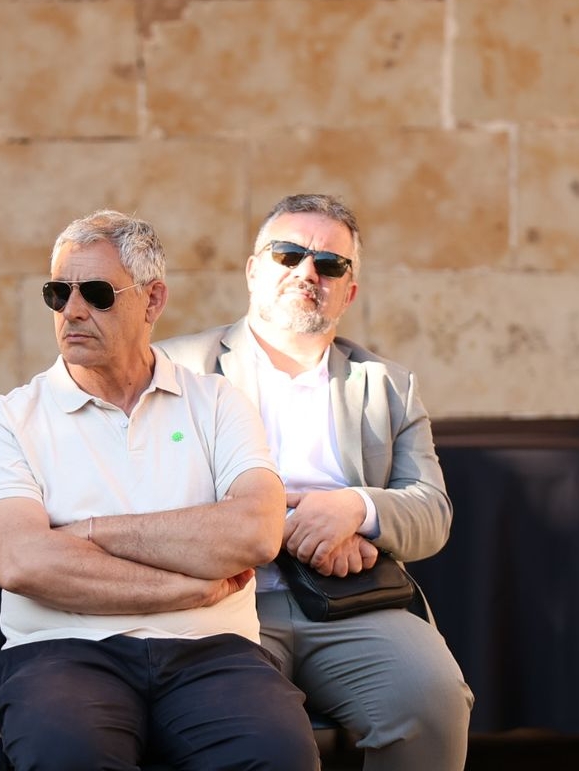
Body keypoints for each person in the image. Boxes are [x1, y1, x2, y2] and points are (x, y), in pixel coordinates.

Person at [0, 210, 319, 770]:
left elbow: (256, 532)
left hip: (212, 654)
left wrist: (88, 532)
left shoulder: (218, 403)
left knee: (278, 755)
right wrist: (186, 588)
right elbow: (20, 562)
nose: (72, 310)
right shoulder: (7, 419)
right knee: (69, 756)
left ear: (153, 300)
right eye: (58, 293)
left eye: (96, 293)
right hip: (62, 654)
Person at [159, 194, 474, 771]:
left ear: (348, 292)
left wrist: (353, 509)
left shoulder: (388, 385)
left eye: (330, 264)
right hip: (220, 603)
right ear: (253, 270)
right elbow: (142, 492)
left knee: (434, 702)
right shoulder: (175, 368)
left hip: (352, 602)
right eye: (288, 254)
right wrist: (292, 524)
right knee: (257, 738)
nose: (308, 272)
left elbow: (432, 512)